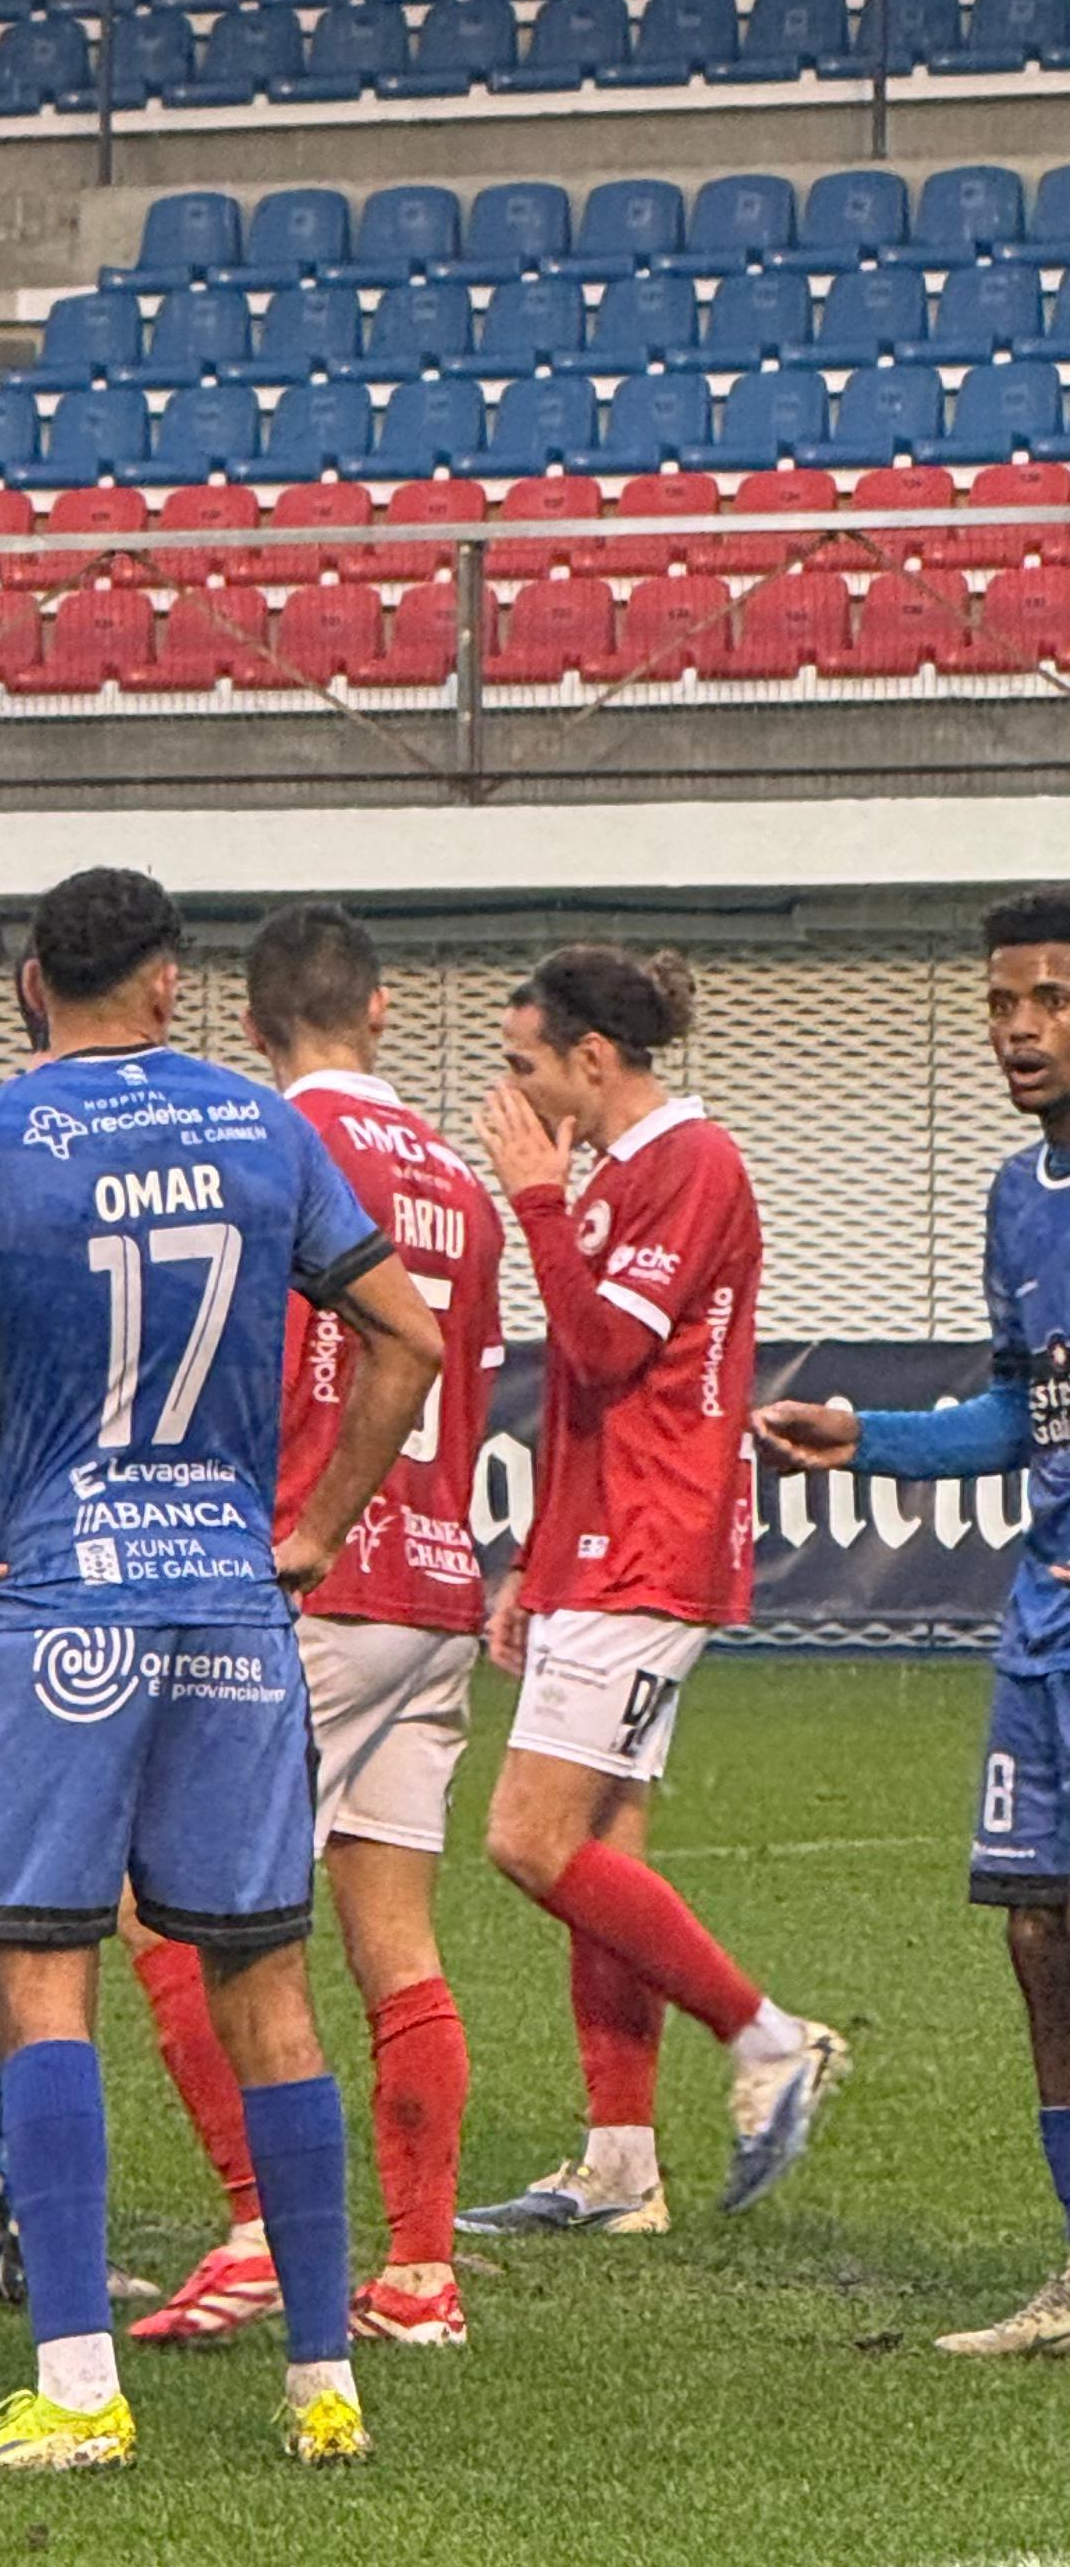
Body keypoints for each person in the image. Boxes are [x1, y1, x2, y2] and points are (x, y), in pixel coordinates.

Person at [0, 864, 443, 2480]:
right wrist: (313, 1527)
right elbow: (410, 1339)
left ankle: (79, 2385)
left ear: (30, 985)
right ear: (169, 983)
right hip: (232, 1604)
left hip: (59, 1604)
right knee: (268, 1987)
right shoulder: (263, 1129)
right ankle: (323, 2382)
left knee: (39, 1975)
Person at [117, 905, 506, 2353]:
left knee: (170, 1902)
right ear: (382, 1008)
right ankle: (420, 2272)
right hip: (437, 1579)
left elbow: (243, 1359)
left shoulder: (266, 1145)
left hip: (312, 1574)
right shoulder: (460, 1182)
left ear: (250, 1024)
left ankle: (255, 2230)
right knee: (392, 1933)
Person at [460, 946, 847, 2234]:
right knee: (601, 1847)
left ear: (591, 1058)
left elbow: (606, 1344)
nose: (510, 1094)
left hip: (650, 1543)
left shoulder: (692, 1161)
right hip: (599, 1543)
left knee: (528, 1839)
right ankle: (621, 2166)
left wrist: (535, 1203)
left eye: (521, 1064)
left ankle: (771, 2037)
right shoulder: (620, 1174)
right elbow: (584, 1398)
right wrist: (535, 1560)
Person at [757, 894, 1070, 2350]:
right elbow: (1019, 1411)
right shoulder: (1018, 1197)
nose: (1020, 1029)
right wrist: (864, 1438)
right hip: (1042, 1624)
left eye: (1052, 1000)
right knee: (1040, 1935)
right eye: (1003, 1003)